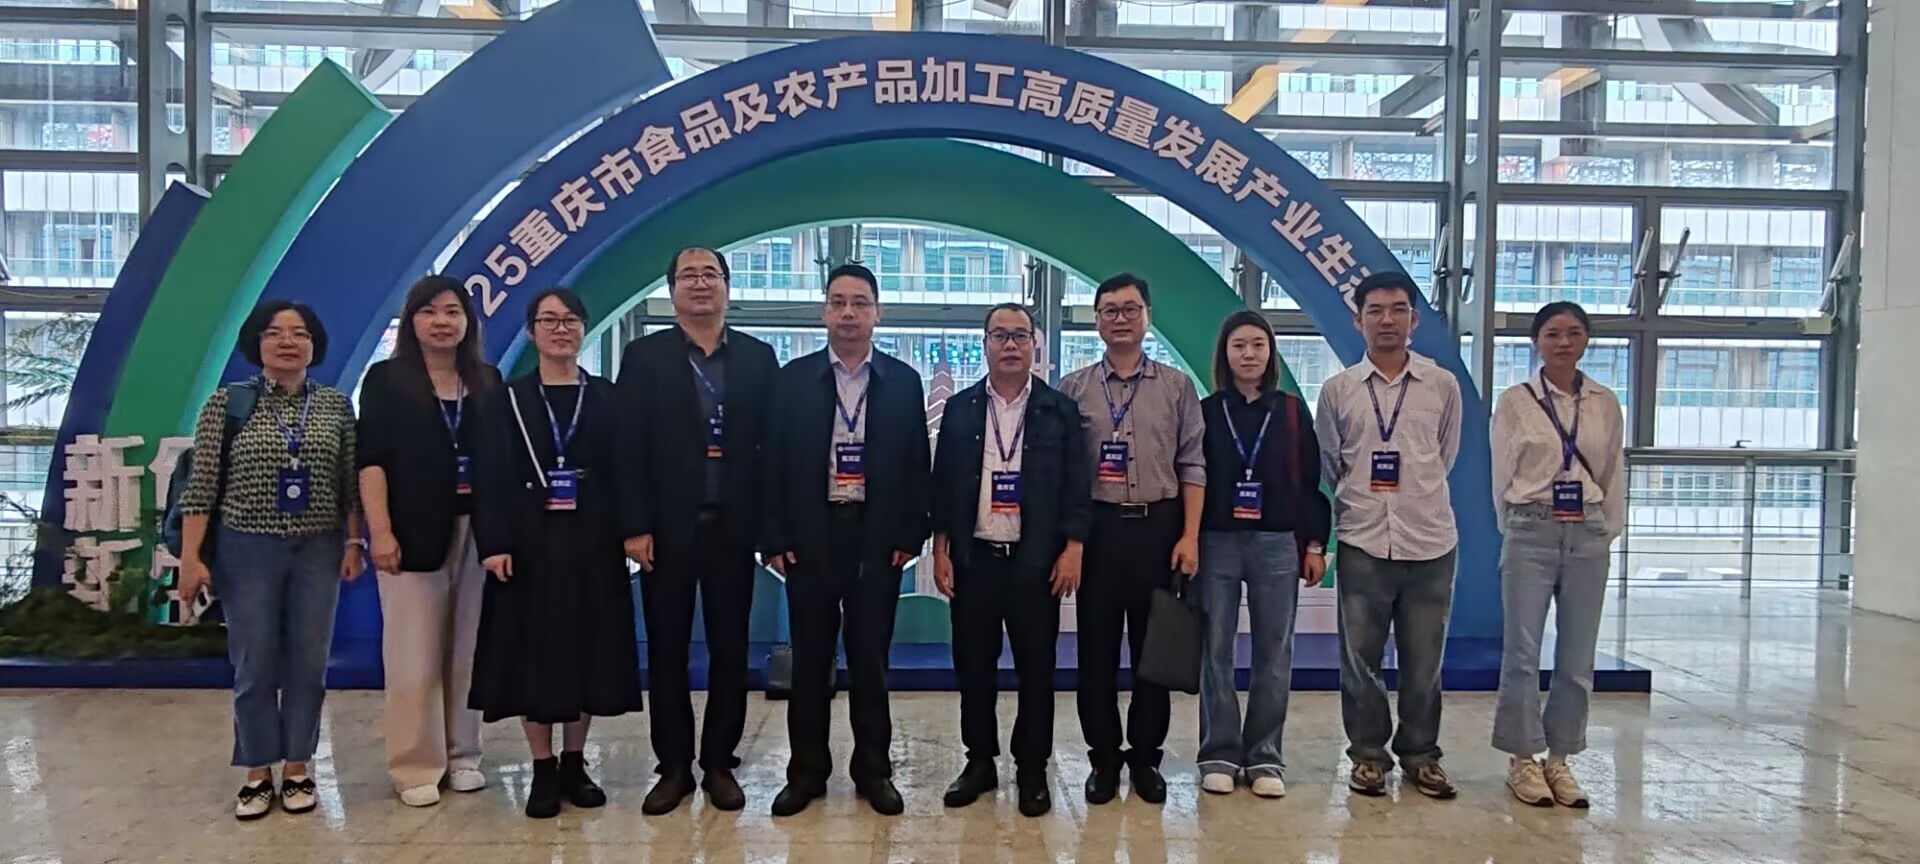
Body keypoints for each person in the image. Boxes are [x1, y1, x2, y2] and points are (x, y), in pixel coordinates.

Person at [175, 300, 364, 821]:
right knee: (254, 661)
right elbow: (201, 487)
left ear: (313, 345)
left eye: (299, 333)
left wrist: (354, 543)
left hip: (318, 548)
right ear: (256, 343)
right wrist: (191, 557)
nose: (287, 342)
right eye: (274, 333)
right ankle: (257, 771)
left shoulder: (335, 406)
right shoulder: (227, 404)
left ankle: (298, 767)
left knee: (308, 662)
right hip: (246, 549)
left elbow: (349, 484)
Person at [762, 263, 931, 818]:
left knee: (870, 661)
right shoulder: (793, 379)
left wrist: (910, 534)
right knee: (811, 661)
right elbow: (772, 461)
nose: (849, 313)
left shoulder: (902, 381)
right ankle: (806, 772)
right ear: (824, 312)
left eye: (860, 303)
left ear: (878, 313)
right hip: (811, 535)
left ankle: (873, 770)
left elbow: (916, 464)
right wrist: (775, 537)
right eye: (838, 302)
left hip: (877, 537)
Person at [468, 288, 644, 819]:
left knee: (588, 650)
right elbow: (489, 474)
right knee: (534, 653)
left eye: (570, 320)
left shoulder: (608, 396)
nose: (560, 329)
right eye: (548, 320)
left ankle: (574, 761)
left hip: (594, 537)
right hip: (527, 540)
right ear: (531, 332)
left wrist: (633, 531)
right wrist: (494, 542)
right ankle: (542, 766)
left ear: (584, 328)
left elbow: (628, 470)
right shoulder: (506, 399)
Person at [615, 247, 779, 814]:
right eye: (689, 275)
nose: (701, 283)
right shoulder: (644, 357)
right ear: (673, 291)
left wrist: (770, 531)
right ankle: (674, 767)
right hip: (665, 532)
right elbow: (627, 448)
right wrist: (634, 526)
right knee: (667, 651)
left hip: (733, 529)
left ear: (728, 287)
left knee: (731, 650)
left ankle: (719, 763)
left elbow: (773, 452)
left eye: (711, 274)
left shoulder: (758, 358)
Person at [931, 302, 1091, 819]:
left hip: (1036, 562)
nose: (1010, 345)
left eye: (1020, 335)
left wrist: (1074, 547)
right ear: (984, 345)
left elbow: (1077, 484)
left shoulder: (1058, 409)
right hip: (974, 559)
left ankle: (1032, 768)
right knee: (973, 667)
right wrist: (941, 549)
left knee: (1036, 670)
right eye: (999, 335)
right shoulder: (960, 408)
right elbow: (943, 483)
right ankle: (979, 761)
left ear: (1034, 346)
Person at [1313, 271, 1464, 800]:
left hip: (1430, 542)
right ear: (1358, 320)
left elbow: (1445, 455)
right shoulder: (1338, 391)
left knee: (1424, 664)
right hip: (1364, 540)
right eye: (1375, 310)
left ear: (1414, 319)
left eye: (1398, 309)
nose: (1387, 320)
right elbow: (1331, 463)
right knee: (1360, 663)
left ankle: (1421, 755)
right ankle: (1368, 756)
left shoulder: (1441, 385)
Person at [1057, 273, 1205, 806]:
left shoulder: (1176, 387)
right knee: (1095, 651)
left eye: (1130, 309)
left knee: (1153, 652)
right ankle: (1103, 757)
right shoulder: (1073, 388)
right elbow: (1064, 474)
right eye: (1110, 310)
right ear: (1096, 321)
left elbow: (1193, 464)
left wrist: (1190, 536)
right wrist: (1071, 540)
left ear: (1148, 317)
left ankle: (1145, 757)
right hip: (1097, 531)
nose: (1120, 318)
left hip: (1158, 529)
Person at [357, 275, 502, 807]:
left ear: (468, 322)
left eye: (453, 312)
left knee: (468, 651)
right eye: (429, 311)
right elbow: (371, 460)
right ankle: (415, 764)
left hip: (477, 531)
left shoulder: (486, 380)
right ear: (412, 320)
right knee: (413, 656)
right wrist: (380, 531)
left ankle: (464, 754)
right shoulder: (386, 381)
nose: (442, 322)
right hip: (411, 533)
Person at [1490, 301, 1625, 809]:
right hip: (1531, 527)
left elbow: (1611, 470)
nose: (1563, 343)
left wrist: (1605, 530)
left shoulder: (1604, 403)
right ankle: (1523, 758)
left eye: (1573, 333)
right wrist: (1515, 525)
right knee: (1522, 651)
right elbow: (1501, 475)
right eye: (1552, 334)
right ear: (1536, 342)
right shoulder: (1516, 402)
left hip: (1587, 531)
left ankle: (1561, 758)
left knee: (1577, 656)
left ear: (1586, 339)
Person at [1195, 310, 1330, 800]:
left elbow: (1310, 482)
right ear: (1225, 354)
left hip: (1277, 543)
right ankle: (1219, 752)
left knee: (1275, 651)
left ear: (1270, 353)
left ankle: (1265, 755)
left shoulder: (1291, 411)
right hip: (1217, 542)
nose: (1248, 354)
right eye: (1239, 346)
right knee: (1215, 650)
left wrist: (1315, 544)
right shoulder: (1207, 412)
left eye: (1258, 345)